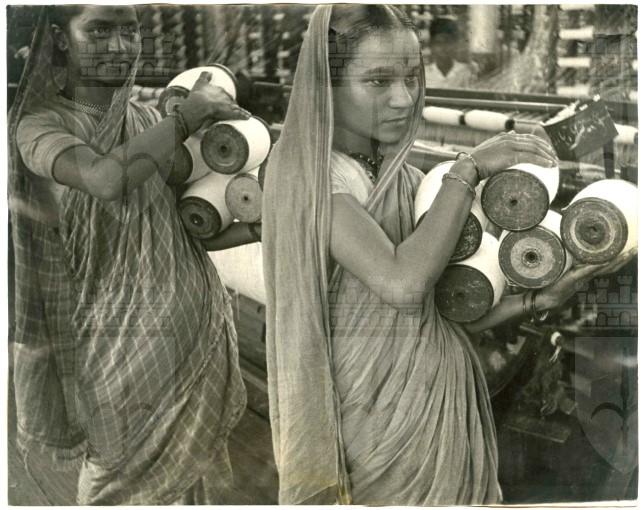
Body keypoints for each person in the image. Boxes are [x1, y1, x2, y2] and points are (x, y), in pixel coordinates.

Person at [262, 4, 634, 506]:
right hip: (373, 424)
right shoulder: (306, 175)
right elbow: (403, 285)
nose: (403, 97)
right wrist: (467, 170)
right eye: (378, 81)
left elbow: (445, 311)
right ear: (326, 86)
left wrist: (537, 300)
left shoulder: (408, 180)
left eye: (411, 77)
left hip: (439, 405)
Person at [8, 5, 257, 505]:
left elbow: (188, 228)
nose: (119, 46)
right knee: (113, 484)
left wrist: (255, 226)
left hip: (196, 343)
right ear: (60, 37)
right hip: (116, 356)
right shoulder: (39, 127)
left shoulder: (147, 122)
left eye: (129, 30)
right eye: (99, 29)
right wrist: (187, 116)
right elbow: (106, 178)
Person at [424, 17, 477, 88]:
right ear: (431, 45)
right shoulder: (424, 74)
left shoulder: (466, 72)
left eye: (447, 42)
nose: (443, 47)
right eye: (438, 43)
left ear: (455, 44)